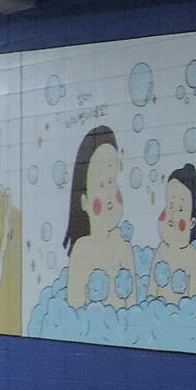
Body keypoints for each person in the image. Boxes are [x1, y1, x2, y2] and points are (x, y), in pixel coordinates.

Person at [64, 126, 137, 310]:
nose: (110, 193)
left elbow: (133, 305)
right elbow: (75, 311)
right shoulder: (81, 251)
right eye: (102, 184)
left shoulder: (123, 246)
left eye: (112, 181)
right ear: (85, 201)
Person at [148, 163, 196, 306]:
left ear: (192, 222)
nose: (172, 214)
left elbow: (194, 298)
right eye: (170, 205)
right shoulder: (161, 251)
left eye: (180, 208)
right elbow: (151, 291)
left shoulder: (192, 257)